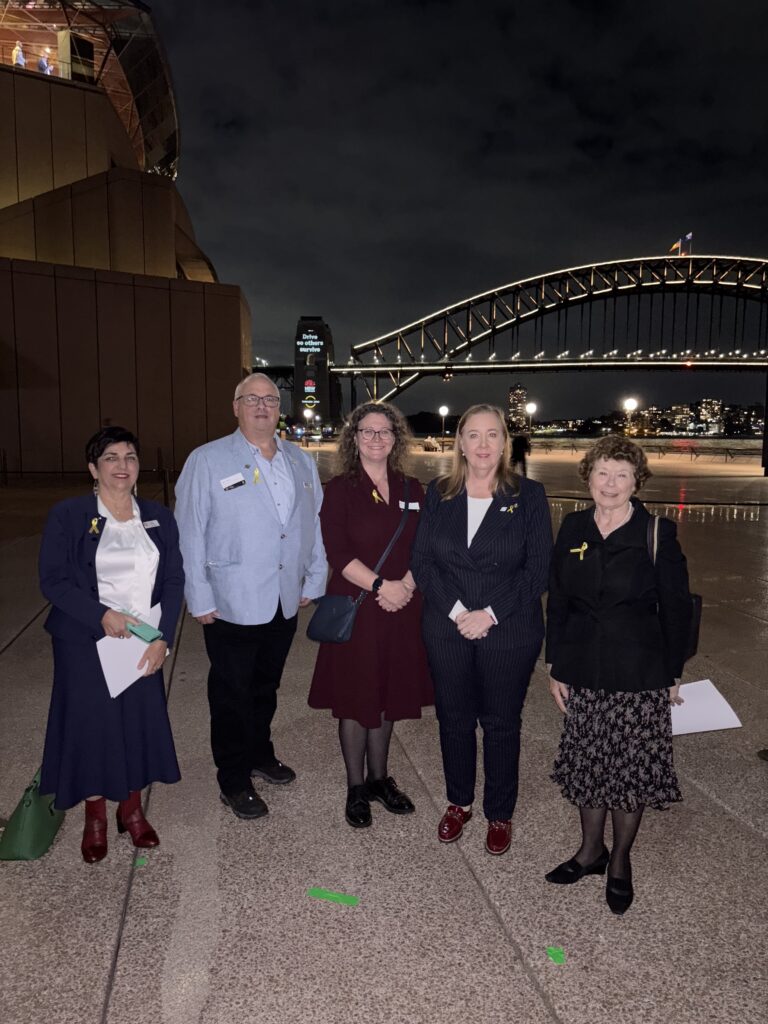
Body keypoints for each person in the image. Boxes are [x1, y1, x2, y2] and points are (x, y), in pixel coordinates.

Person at [545, 435, 692, 915]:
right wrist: (555, 665)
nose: (610, 483)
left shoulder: (656, 533)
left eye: (621, 475)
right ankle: (590, 852)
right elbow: (560, 600)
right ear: (588, 477)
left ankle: (620, 860)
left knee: (628, 773)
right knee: (590, 766)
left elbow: (675, 609)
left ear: (636, 482)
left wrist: (673, 672)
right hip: (584, 666)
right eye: (602, 473)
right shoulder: (573, 526)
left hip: (639, 671)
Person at [175, 373, 327, 820]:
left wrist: (313, 577)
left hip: (283, 597)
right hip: (231, 600)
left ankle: (260, 752)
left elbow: (312, 523)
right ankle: (233, 777)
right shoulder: (207, 459)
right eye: (252, 399)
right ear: (235, 406)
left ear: (280, 409)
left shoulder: (299, 460)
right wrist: (198, 596)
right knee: (230, 693)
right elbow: (190, 532)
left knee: (266, 686)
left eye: (271, 400)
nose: (262, 406)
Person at [411, 404, 552, 855]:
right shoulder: (439, 492)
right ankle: (459, 802)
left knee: (501, 722)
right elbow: (422, 563)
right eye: (474, 435)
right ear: (461, 443)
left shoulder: (527, 494)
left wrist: (488, 613)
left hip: (508, 626)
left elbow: (537, 571)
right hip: (447, 623)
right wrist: (457, 612)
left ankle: (499, 811)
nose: (484, 444)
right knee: (452, 718)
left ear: (505, 443)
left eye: (493, 434)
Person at [38, 427, 183, 863]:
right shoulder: (71, 515)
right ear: (93, 469)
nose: (122, 466)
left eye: (130, 457)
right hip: (86, 641)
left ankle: (132, 811)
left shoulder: (158, 515)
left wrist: (163, 639)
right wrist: (102, 615)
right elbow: (54, 581)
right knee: (92, 728)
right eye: (111, 458)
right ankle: (96, 816)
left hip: (143, 641)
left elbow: (175, 581)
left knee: (137, 724)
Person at [308, 402, 433, 828]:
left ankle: (380, 780)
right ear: (354, 438)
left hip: (402, 608)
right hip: (360, 606)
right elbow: (338, 553)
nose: (376, 438)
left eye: (385, 431)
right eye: (368, 431)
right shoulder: (339, 489)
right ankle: (355, 787)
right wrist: (383, 586)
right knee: (356, 697)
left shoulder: (414, 489)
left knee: (388, 696)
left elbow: (426, 547)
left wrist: (408, 586)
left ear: (396, 439)